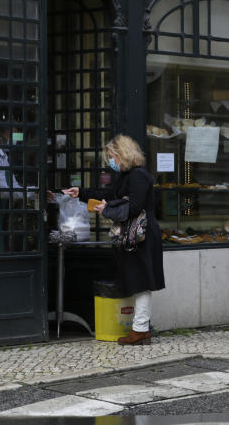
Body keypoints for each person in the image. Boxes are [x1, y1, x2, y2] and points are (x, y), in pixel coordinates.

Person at [64, 134, 165, 345]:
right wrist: (81, 193)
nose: (110, 161)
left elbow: (134, 206)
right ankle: (141, 329)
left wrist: (106, 210)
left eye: (111, 156)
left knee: (141, 282)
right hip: (134, 235)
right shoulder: (128, 176)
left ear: (122, 154)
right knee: (137, 280)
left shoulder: (138, 176)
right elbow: (109, 194)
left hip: (141, 235)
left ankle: (139, 330)